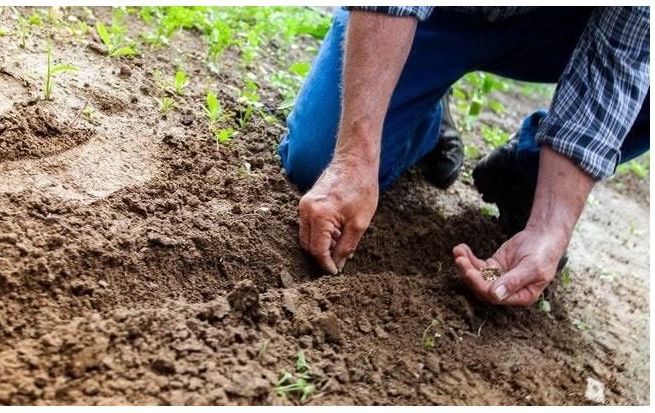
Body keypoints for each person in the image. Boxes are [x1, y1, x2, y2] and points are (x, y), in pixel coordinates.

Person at [277, 6, 650, 306]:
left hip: (556, 25)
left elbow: (621, 58)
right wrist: (353, 159)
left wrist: (550, 226)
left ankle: (529, 173)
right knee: (319, 159)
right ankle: (425, 114)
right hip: (436, 16)